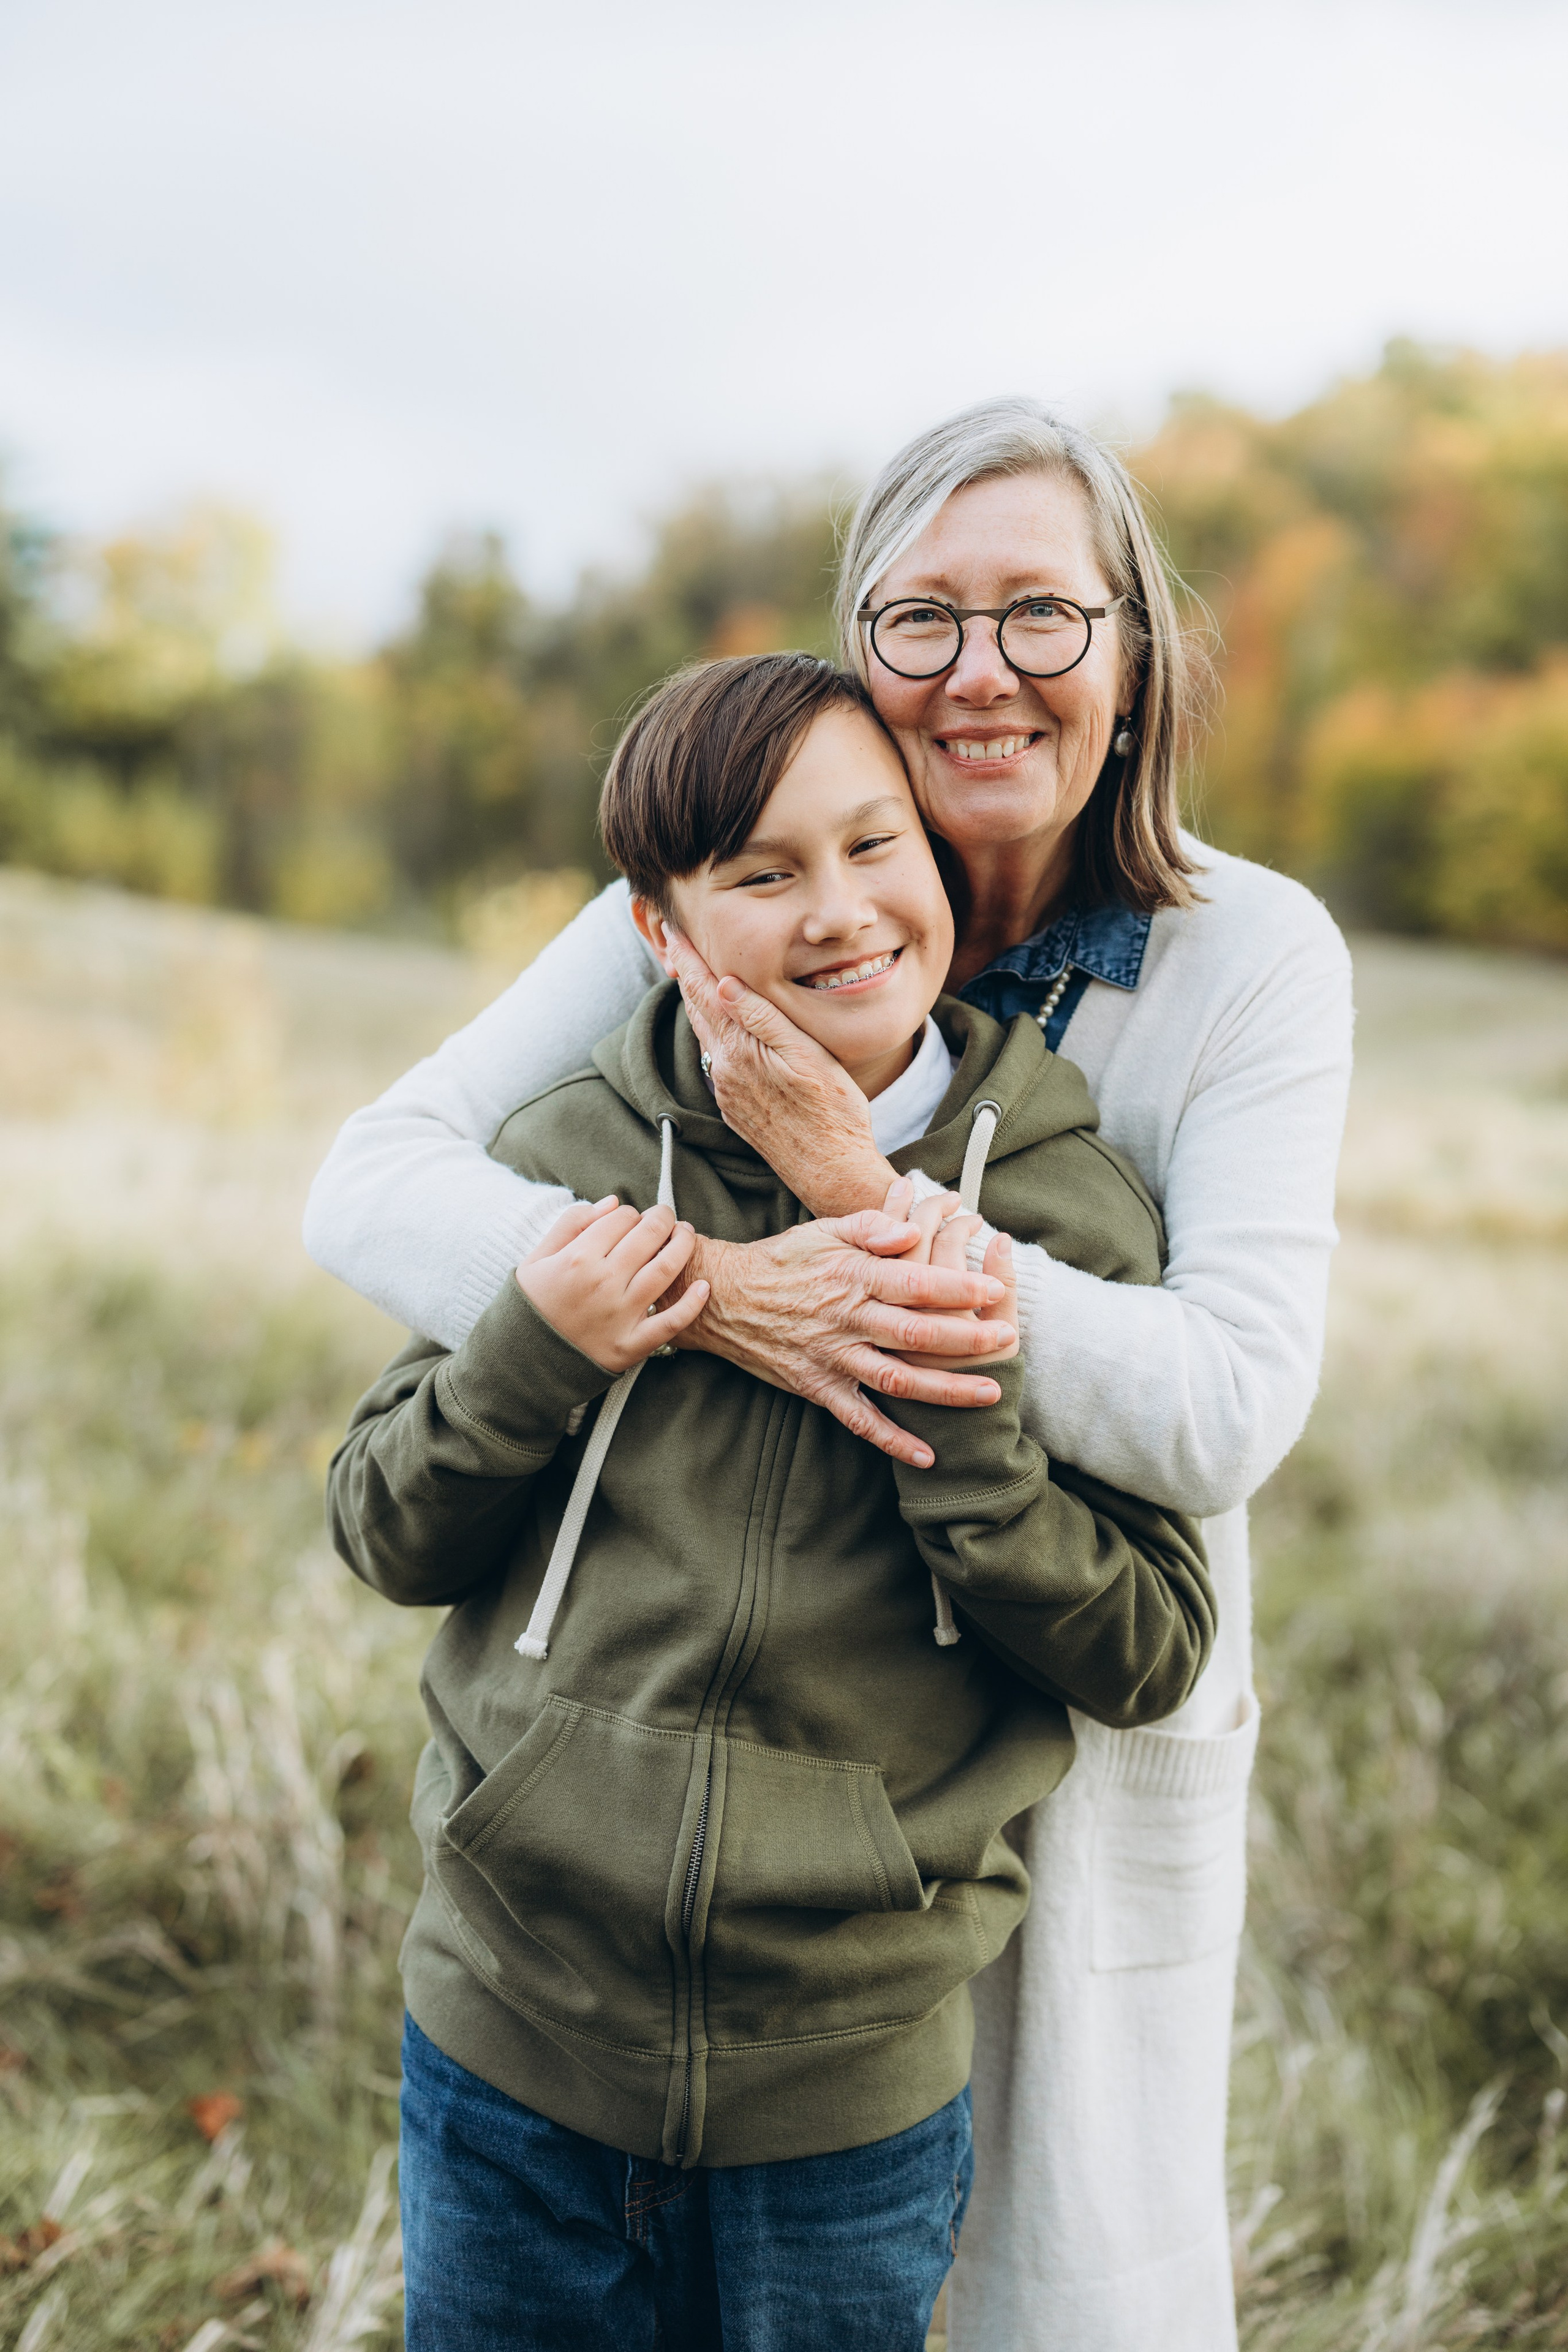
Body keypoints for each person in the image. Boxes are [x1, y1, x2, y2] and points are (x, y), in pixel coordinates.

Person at [305, 397, 1354, 2350]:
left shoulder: (1248, 956)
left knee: (1059, 2265)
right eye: (921, 618)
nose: (983, 671)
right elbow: (371, 1183)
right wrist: (708, 1289)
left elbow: (1223, 1408)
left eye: (1044, 612)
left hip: (1023, 1682)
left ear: (1133, 649)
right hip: (597, 1935)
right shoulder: (732, 892)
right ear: (857, 648)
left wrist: (869, 1215)